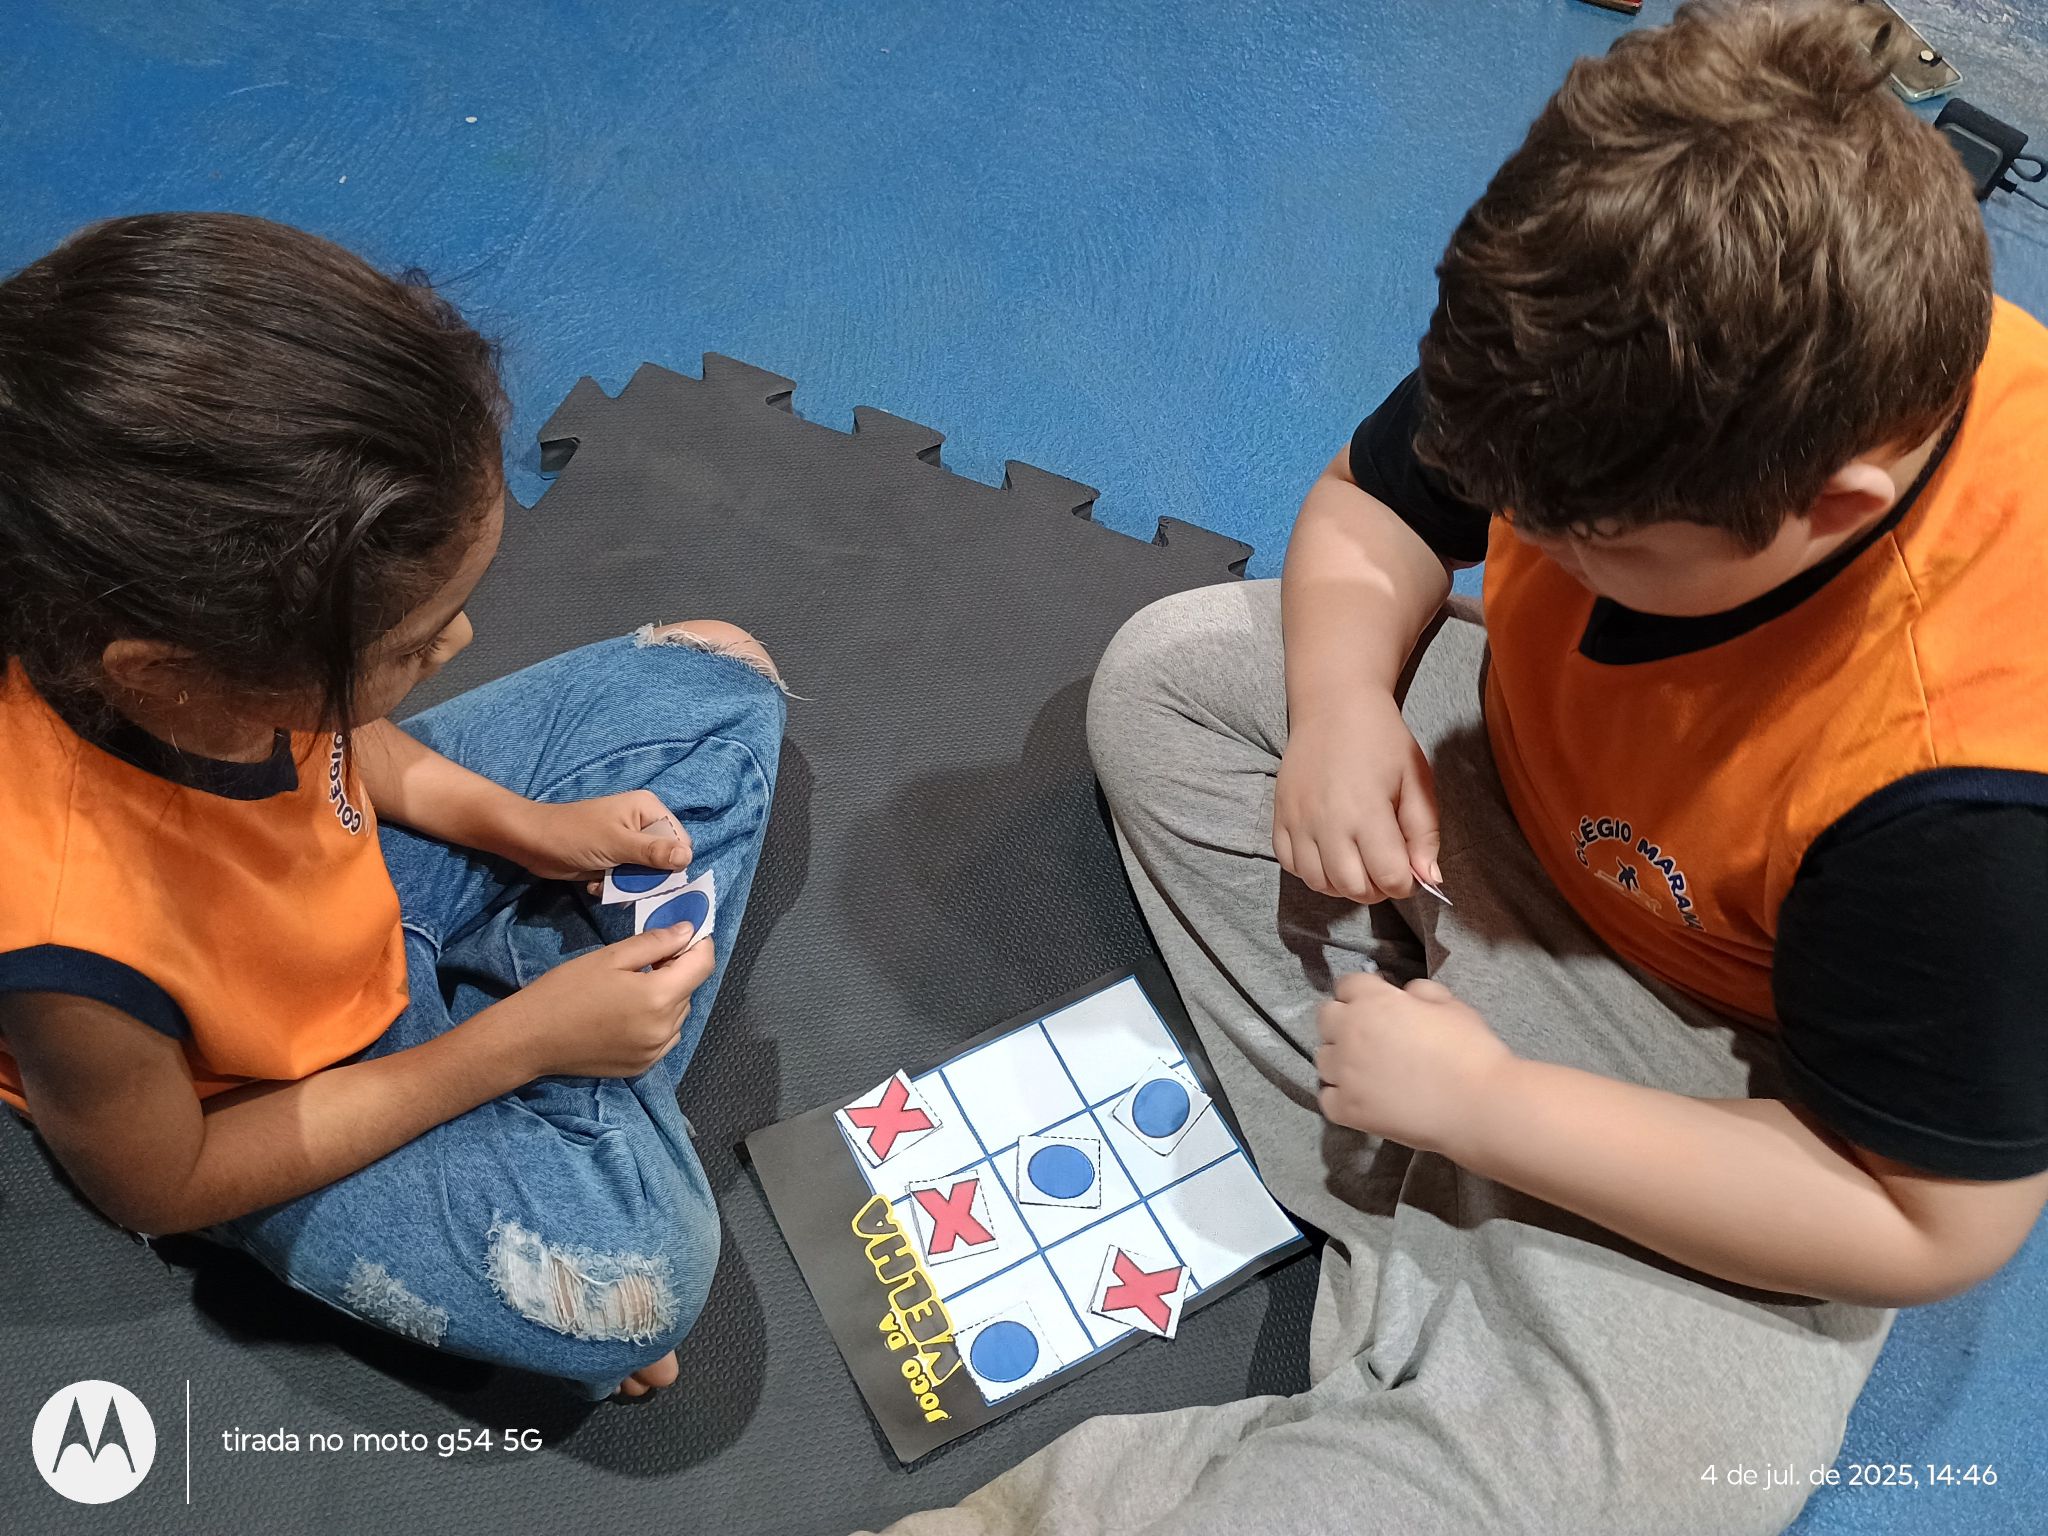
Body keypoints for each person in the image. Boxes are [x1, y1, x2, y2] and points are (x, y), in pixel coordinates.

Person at [883, 3, 2048, 1532]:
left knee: (1676, 1467)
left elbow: (1929, 1224)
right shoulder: (1610, 327)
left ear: (1831, 510)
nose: (1522, 549)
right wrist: (1340, 708)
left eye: (1594, 545)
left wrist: (1494, 1107)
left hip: (1756, 1082)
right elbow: (1374, 510)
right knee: (1173, 681)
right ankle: (1487, 1279)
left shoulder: (1970, 808)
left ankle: (1426, 1314)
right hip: (1523, 834)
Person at [0, 212, 787, 1402]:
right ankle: (561, 1065)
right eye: (414, 645)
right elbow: (156, 1183)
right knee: (646, 1280)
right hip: (265, 1099)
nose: (459, 644)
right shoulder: (66, 939)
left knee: (717, 671)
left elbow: (333, 736)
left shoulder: (192, 657)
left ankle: (569, 1067)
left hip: (358, 910)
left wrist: (520, 826)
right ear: (170, 677)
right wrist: (511, 1048)